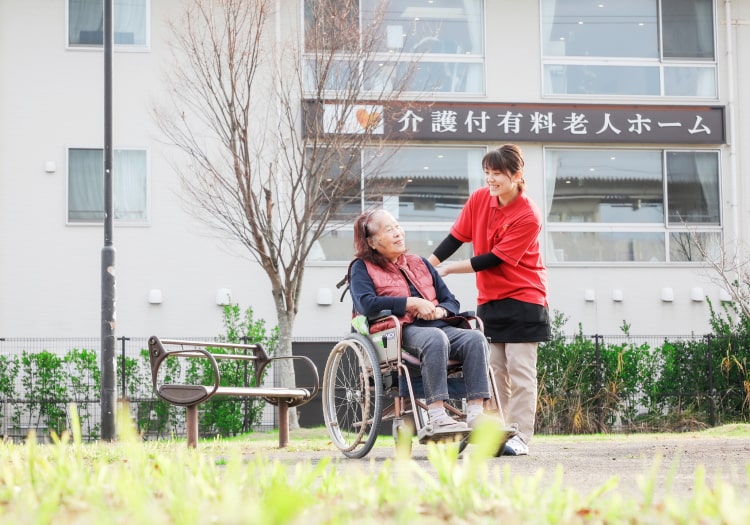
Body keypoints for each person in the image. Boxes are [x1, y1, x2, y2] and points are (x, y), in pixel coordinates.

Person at [428, 144, 551, 455]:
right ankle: (496, 436)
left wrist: (450, 270)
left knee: (521, 373)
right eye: (487, 173)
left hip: (525, 299)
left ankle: (520, 438)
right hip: (490, 299)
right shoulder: (481, 199)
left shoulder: (528, 214)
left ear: (517, 176)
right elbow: (457, 237)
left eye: (497, 174)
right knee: (494, 375)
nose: (490, 180)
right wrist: (427, 266)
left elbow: (494, 259)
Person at [349, 208, 492, 432]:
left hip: (439, 326)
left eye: (397, 226)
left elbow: (450, 301)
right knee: (434, 338)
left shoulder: (420, 263)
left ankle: (476, 414)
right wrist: (410, 303)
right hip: (399, 331)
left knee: (475, 338)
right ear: (372, 242)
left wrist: (440, 312)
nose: (398, 233)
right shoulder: (361, 267)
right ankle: (436, 415)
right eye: (389, 229)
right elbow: (365, 304)